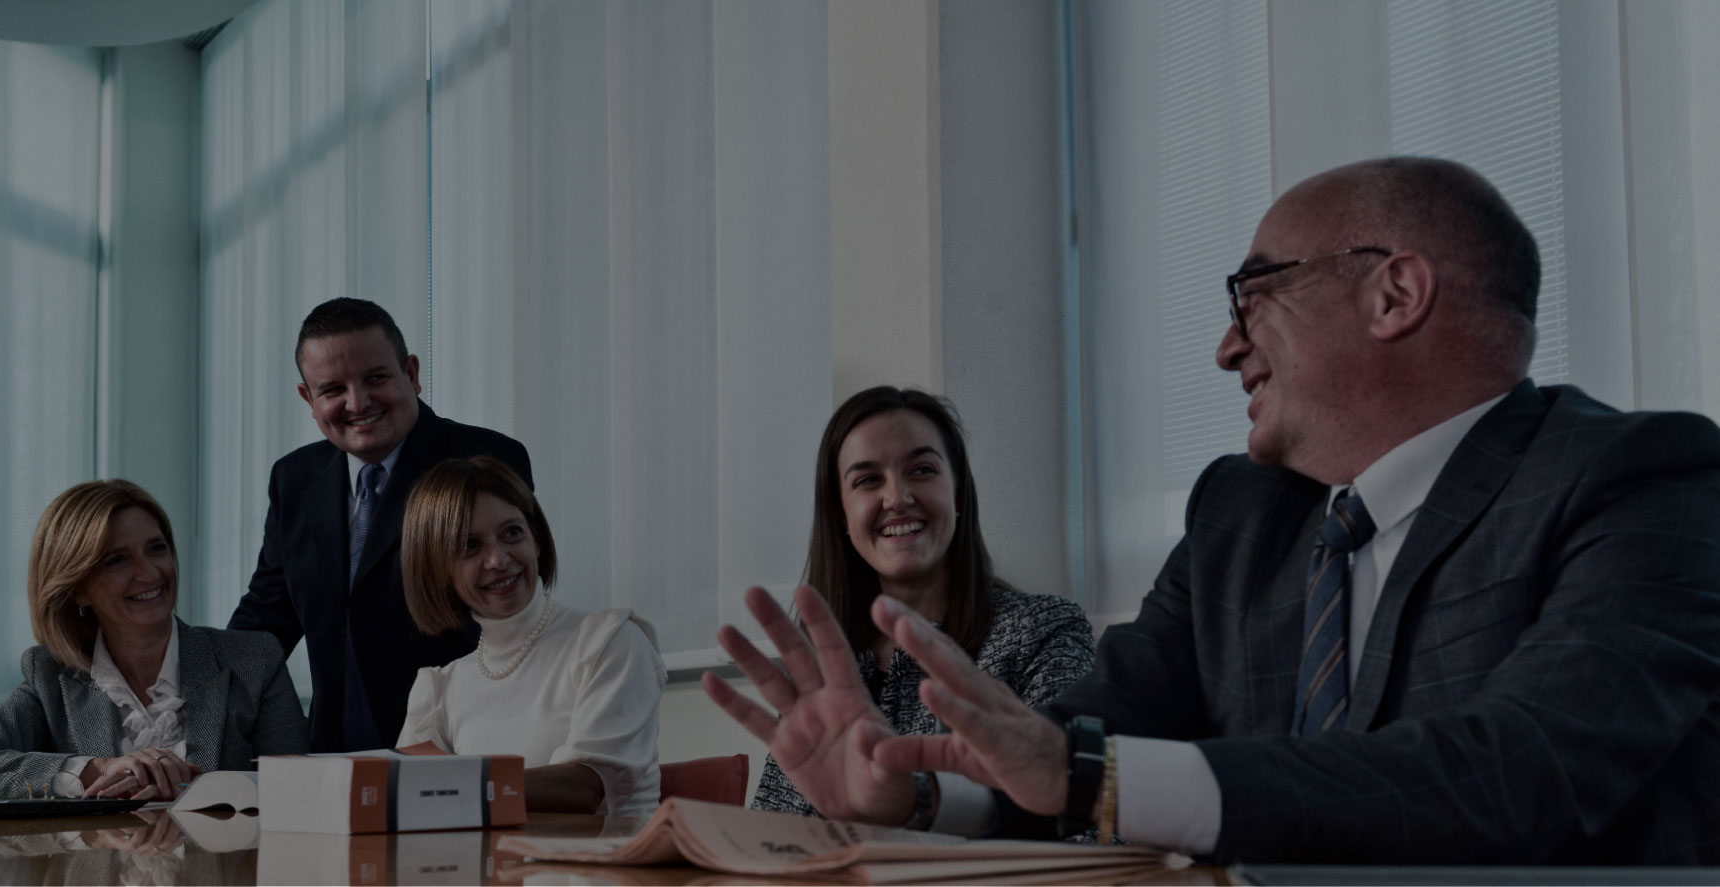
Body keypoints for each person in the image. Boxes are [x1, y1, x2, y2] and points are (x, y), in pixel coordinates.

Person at [706, 157, 1720, 864]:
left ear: (1395, 294)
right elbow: (1078, 735)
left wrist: (1090, 775)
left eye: (1254, 293)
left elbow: (1516, 773)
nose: (1226, 347)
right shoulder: (1242, 512)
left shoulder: (1643, 479)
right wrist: (921, 792)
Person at [751, 386, 1095, 826]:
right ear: (840, 513)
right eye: (868, 480)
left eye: (921, 470)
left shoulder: (1042, 632)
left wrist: (911, 805)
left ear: (958, 492)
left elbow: (1089, 827)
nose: (897, 498)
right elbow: (770, 835)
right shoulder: (820, 669)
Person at [229, 298, 535, 752]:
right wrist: (194, 694)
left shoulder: (485, 460)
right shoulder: (293, 478)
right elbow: (268, 616)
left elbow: (510, 608)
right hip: (332, 754)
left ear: (411, 373)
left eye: (375, 378)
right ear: (309, 399)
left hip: (454, 745)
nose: (358, 403)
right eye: (333, 389)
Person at [0, 480, 309, 800]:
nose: (149, 573)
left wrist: (194, 789)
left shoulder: (254, 660)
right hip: (97, 845)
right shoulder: (50, 674)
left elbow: (296, 787)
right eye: (117, 560)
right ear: (77, 589)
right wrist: (93, 770)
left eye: (156, 549)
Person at [394, 456, 665, 817]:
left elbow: (584, 788)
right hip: (489, 856)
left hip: (608, 854)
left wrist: (443, 788)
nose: (498, 560)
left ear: (536, 539)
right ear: (438, 569)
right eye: (469, 545)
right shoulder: (440, 688)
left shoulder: (611, 641)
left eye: (512, 533)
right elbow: (408, 805)